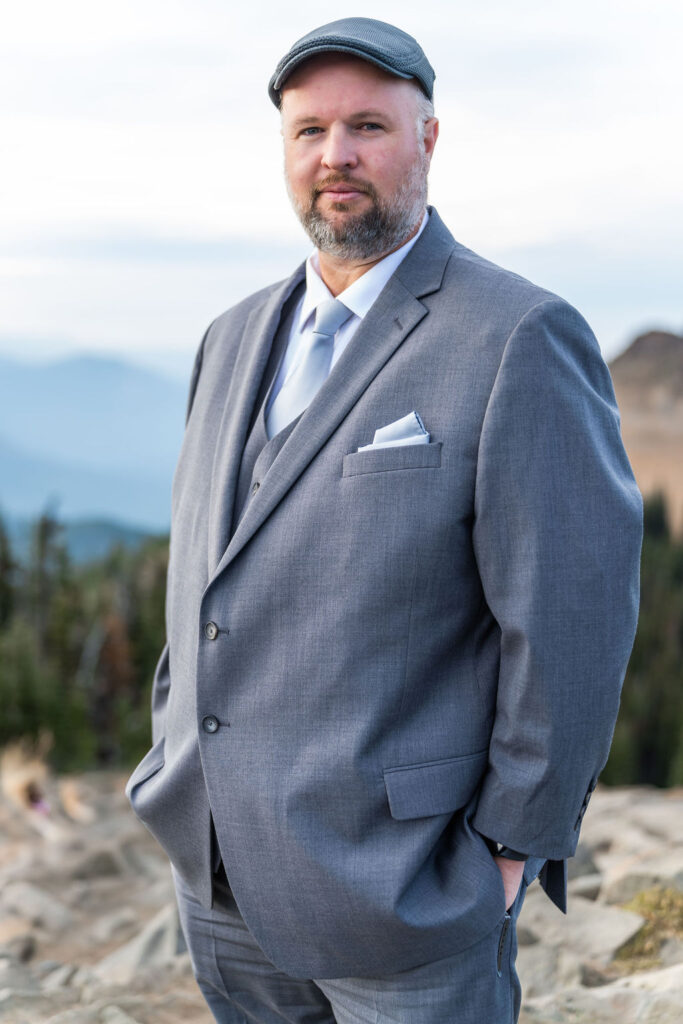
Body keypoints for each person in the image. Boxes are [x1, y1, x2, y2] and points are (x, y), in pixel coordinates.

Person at [126, 17, 642, 1024]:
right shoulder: (228, 338)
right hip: (218, 881)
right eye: (309, 131)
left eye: (367, 125)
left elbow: (570, 621)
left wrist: (508, 847)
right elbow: (208, 576)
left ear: (428, 139)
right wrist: (168, 753)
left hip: (405, 895)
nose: (336, 156)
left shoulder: (516, 335)